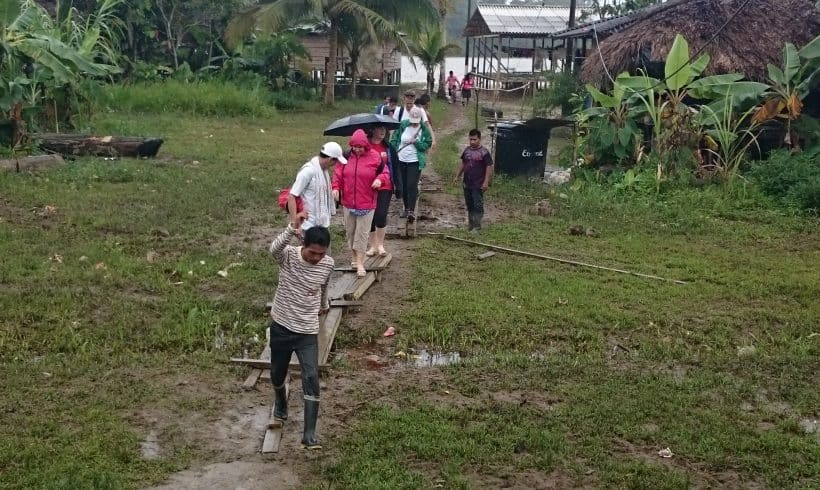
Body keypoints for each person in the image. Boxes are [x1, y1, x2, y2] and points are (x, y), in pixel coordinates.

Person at [268, 223, 334, 450]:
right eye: (312, 252)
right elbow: (273, 250)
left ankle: (309, 434)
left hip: (307, 330)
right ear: (302, 245)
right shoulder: (288, 257)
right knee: (277, 372)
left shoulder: (328, 264)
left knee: (311, 376)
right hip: (282, 325)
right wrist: (289, 229)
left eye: (321, 253)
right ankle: (281, 403)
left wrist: (324, 304)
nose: (316, 257)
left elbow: (324, 286)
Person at [332, 129, 389, 277]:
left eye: (360, 146)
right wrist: (336, 188)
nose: (357, 149)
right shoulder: (345, 157)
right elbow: (337, 174)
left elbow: (385, 173)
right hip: (348, 202)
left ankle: (360, 264)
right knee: (350, 233)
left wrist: (379, 180)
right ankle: (354, 257)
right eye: (354, 146)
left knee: (362, 234)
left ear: (365, 145)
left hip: (367, 202)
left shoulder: (375, 157)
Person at [287, 142, 346, 236]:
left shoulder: (323, 171)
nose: (335, 165)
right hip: (308, 226)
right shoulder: (308, 171)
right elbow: (292, 196)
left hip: (322, 223)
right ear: (331, 159)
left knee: (325, 250)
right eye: (336, 161)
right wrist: (294, 223)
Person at [389, 107, 432, 223]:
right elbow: (395, 139)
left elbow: (427, 144)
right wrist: (394, 150)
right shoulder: (403, 125)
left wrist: (417, 143)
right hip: (401, 159)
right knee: (403, 185)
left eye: (416, 122)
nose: (414, 124)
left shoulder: (424, 129)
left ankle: (412, 211)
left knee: (411, 185)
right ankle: (406, 208)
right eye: (412, 121)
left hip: (415, 160)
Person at [365, 124, 399, 257]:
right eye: (379, 128)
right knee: (370, 216)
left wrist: (398, 185)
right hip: (367, 186)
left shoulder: (389, 147)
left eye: (384, 129)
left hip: (385, 185)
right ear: (372, 129)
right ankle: (372, 245)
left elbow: (395, 167)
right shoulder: (364, 146)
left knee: (381, 214)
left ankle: (380, 244)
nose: (383, 131)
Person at [452, 128, 493, 232]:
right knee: (469, 204)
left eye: (474, 139)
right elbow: (463, 164)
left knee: (477, 205)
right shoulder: (467, 150)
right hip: (467, 183)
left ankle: (477, 226)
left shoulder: (484, 152)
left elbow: (488, 167)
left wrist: (486, 182)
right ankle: (471, 224)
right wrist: (457, 176)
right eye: (470, 139)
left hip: (478, 184)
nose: (472, 142)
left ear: (479, 139)